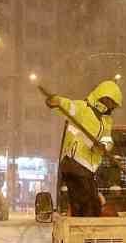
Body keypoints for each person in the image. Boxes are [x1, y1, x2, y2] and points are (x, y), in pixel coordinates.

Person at [46, 79, 122, 216]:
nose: (112, 106)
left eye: (114, 105)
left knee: (93, 205)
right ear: (103, 97)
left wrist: (104, 146)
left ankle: (86, 229)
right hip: (74, 163)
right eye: (112, 102)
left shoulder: (107, 121)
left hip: (88, 169)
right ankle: (83, 231)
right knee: (85, 204)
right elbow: (68, 106)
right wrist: (56, 101)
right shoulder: (83, 108)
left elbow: (107, 139)